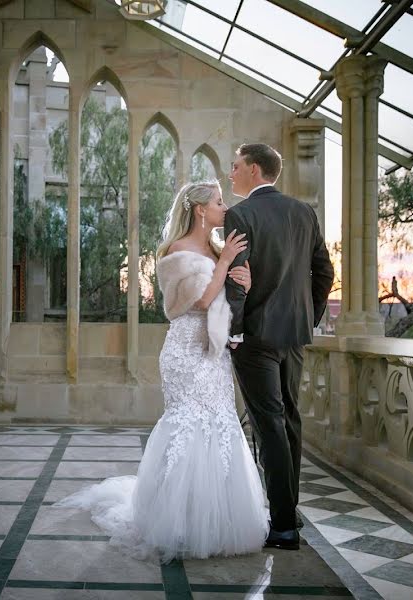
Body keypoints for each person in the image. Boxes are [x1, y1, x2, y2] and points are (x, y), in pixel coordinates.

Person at [55, 181, 269, 563]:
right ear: (201, 210)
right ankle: (176, 520)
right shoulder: (174, 252)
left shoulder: (222, 250)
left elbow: (230, 299)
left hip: (215, 351)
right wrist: (224, 264)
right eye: (219, 203)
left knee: (219, 423)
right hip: (186, 350)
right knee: (187, 423)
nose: (226, 208)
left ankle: (215, 521)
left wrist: (245, 282)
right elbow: (199, 300)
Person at [224, 143, 334, 551]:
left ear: (254, 170)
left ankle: (284, 525)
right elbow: (324, 271)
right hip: (295, 335)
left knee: (268, 422)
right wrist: (309, 315)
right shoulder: (304, 212)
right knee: (289, 419)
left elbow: (238, 278)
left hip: (254, 337)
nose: (230, 172)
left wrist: (233, 331)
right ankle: (290, 511)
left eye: (235, 166)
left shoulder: (241, 214)